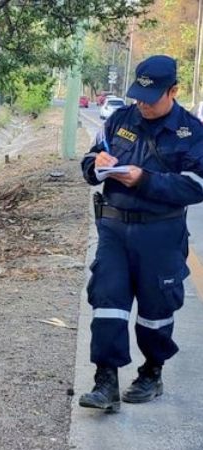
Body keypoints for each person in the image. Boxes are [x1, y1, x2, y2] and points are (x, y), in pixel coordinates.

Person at [79, 55, 203, 412]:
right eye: (138, 96)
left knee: (156, 309)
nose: (142, 104)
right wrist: (96, 165)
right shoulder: (120, 121)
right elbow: (90, 161)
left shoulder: (192, 133)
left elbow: (197, 185)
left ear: (174, 91)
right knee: (107, 301)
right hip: (114, 228)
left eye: (151, 98)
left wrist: (144, 180)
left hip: (161, 233)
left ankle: (151, 372)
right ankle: (105, 382)